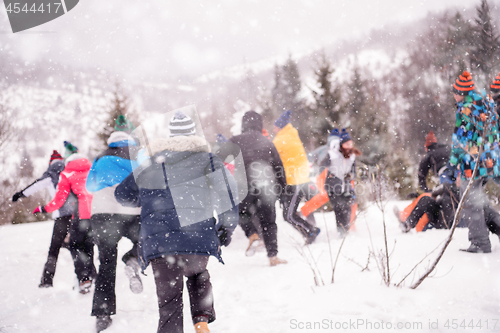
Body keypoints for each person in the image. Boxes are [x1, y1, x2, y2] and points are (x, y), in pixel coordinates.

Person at [115, 110, 238, 333]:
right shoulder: (208, 160)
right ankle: (201, 320)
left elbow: (122, 194)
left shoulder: (151, 162)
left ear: (171, 138)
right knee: (199, 274)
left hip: (160, 244)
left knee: (169, 305)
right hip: (198, 237)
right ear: (194, 135)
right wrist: (226, 228)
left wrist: (145, 198)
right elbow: (227, 195)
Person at [86, 122, 143, 332]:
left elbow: (89, 186)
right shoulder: (137, 157)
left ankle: (103, 314)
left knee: (106, 264)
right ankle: (133, 259)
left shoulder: (100, 157)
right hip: (133, 212)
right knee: (145, 241)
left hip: (103, 214)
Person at [442, 71, 500, 253]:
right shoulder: (487, 101)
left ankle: (480, 243)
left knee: (468, 201)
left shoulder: (466, 109)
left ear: (460, 92)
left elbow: (461, 141)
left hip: (473, 161)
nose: (453, 95)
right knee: (478, 199)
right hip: (491, 159)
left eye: (454, 91)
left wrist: (452, 165)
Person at [33, 141, 96, 292]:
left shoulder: (66, 174)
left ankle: (83, 278)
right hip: (94, 214)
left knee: (75, 245)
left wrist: (44, 208)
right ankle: (91, 275)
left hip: (79, 216)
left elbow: (59, 200)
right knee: (88, 246)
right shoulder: (92, 170)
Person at [229, 111, 288, 265]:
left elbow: (220, 164)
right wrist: (282, 191)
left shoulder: (234, 141)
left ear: (243, 125)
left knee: (241, 213)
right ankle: (273, 257)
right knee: (268, 222)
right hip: (265, 188)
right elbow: (278, 168)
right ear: (259, 125)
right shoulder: (267, 142)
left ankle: (252, 234)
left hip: (243, 188)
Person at [12, 150, 78, 288]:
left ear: (50, 163)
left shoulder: (50, 173)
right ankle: (87, 276)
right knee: (76, 246)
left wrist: (20, 194)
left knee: (54, 249)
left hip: (61, 217)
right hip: (76, 214)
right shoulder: (69, 170)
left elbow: (36, 185)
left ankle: (47, 281)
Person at [272, 110, 320, 244]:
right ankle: (310, 230)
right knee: (289, 214)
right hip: (297, 180)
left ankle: (311, 232)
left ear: (280, 127)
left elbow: (270, 156)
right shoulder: (290, 135)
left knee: (288, 215)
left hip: (295, 181)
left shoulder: (282, 139)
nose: (273, 128)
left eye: (275, 126)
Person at [321, 128, 361, 234]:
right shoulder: (333, 154)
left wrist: (350, 175)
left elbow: (353, 171)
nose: (349, 147)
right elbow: (322, 164)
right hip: (333, 187)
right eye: (346, 144)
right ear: (341, 144)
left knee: (347, 209)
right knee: (339, 209)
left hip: (346, 187)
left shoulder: (352, 156)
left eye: (350, 144)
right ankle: (341, 232)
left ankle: (345, 230)